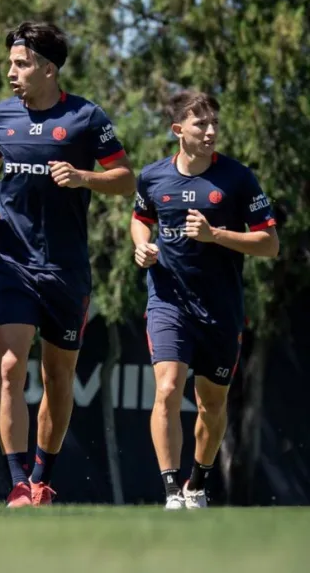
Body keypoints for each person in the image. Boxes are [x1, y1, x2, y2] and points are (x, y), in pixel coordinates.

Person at [0, 21, 135, 507]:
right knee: (8, 367)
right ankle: (19, 481)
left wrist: (85, 177)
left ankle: (43, 476)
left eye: (20, 64)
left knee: (57, 378)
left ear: (47, 68)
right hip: (11, 261)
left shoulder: (86, 117)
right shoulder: (0, 116)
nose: (11, 72)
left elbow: (126, 180)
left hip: (65, 269)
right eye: (10, 64)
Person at [131, 91, 278, 509]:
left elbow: (270, 244)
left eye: (214, 123)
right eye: (201, 124)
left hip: (220, 308)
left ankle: (197, 483)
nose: (211, 131)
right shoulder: (153, 177)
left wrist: (217, 236)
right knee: (167, 388)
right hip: (168, 301)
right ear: (178, 130)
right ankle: (172, 491)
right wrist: (142, 246)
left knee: (211, 403)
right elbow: (141, 219)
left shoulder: (238, 178)